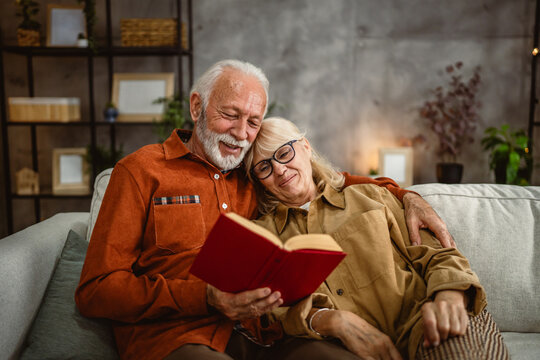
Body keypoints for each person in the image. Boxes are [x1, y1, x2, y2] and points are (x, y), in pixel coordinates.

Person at [76, 59, 456, 360]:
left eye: (253, 121)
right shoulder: (141, 171)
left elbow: (322, 179)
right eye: (230, 114)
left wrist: (407, 195)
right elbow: (96, 291)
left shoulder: (252, 173)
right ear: (197, 106)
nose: (241, 133)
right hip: (178, 337)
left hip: (267, 337)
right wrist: (205, 297)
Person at [243, 117, 509, 360]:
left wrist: (449, 296)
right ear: (259, 180)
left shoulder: (369, 196)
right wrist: (332, 320)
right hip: (344, 348)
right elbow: (274, 312)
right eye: (264, 167)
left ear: (305, 147)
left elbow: (437, 253)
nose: (278, 169)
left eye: (284, 153)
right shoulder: (264, 236)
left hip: (425, 316)